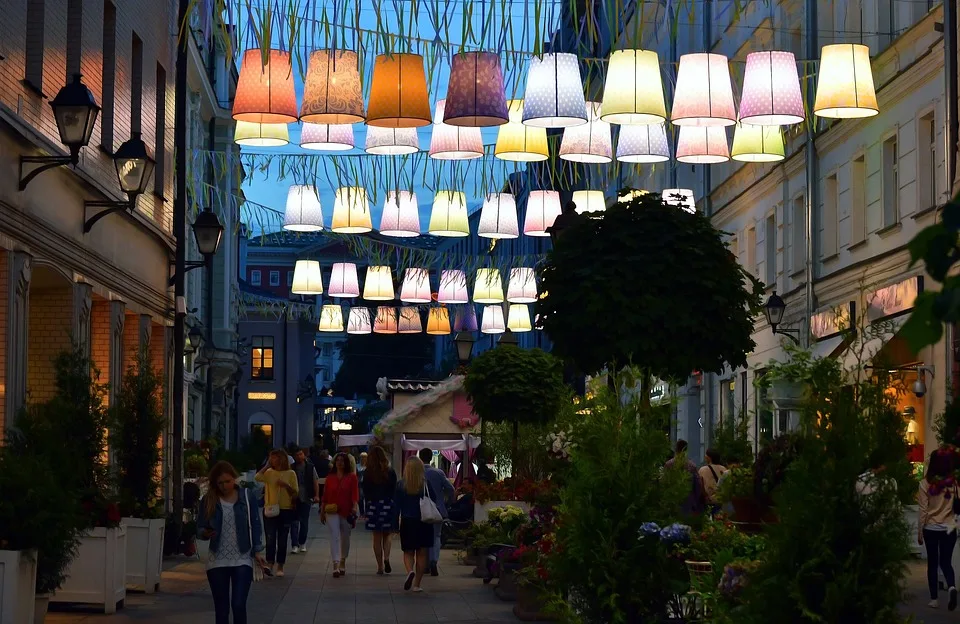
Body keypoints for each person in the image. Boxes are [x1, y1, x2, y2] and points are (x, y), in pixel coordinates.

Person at [197, 461, 266, 624]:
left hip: (242, 557)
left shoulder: (247, 497)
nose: (224, 486)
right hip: (217, 560)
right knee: (222, 610)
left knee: (238, 604)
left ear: (234, 479)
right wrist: (205, 532)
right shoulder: (208, 500)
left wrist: (257, 550)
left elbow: (255, 524)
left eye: (227, 481)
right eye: (220, 483)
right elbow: (199, 528)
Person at [918, 449, 959, 610]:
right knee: (946, 562)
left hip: (931, 527)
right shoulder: (953, 482)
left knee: (933, 563)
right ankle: (951, 587)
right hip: (949, 527)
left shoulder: (924, 484)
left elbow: (923, 510)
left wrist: (920, 532)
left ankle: (934, 599)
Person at [394, 457, 440, 592]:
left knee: (408, 551)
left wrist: (395, 525)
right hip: (424, 522)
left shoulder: (401, 485)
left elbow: (396, 506)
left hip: (408, 522)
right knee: (422, 554)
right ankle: (417, 585)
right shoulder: (425, 484)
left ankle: (409, 571)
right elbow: (434, 499)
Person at [255, 449, 299, 577]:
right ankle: (269, 563)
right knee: (270, 538)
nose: (271, 460)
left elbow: (295, 493)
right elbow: (257, 477)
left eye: (273, 458)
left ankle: (280, 565)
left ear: (281, 458)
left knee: (283, 538)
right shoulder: (269, 472)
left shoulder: (291, 473)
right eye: (270, 458)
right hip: (270, 509)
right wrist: (267, 466)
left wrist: (286, 485)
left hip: (285, 509)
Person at [321, 451, 360, 578]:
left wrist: (354, 506)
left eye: (342, 461)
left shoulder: (352, 477)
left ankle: (343, 559)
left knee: (345, 537)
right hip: (331, 510)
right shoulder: (330, 478)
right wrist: (322, 510)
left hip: (346, 510)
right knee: (334, 536)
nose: (339, 463)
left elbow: (355, 494)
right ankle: (335, 564)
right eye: (337, 460)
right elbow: (325, 495)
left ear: (347, 463)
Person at [362, 446, 399, 575]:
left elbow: (365, 492)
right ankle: (387, 558)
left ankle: (379, 567)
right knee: (387, 534)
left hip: (373, 505)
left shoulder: (368, 473)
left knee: (376, 537)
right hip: (388, 504)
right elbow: (394, 489)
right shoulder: (390, 471)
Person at [418, 448, 455, 576]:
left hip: (421, 510)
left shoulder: (417, 473)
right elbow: (451, 489)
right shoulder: (439, 473)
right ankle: (434, 561)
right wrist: (447, 503)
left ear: (420, 457)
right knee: (436, 536)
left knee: (423, 537)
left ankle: (425, 564)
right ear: (431, 457)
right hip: (438, 509)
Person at [289, 446, 320, 554]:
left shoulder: (310, 467)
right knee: (294, 522)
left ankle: (302, 542)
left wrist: (316, 495)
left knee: (304, 521)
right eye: (297, 455)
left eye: (301, 454)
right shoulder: (291, 468)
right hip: (293, 498)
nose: (299, 457)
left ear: (304, 455)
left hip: (306, 497)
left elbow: (315, 481)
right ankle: (294, 544)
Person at [665, 440, 706, 516]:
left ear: (676, 449)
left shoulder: (669, 464)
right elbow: (698, 485)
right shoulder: (691, 465)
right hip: (688, 500)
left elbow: (664, 482)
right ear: (686, 449)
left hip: (672, 499)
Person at [697, 448, 728, 515]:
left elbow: (700, 485)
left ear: (709, 458)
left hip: (709, 501)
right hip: (721, 501)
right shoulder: (724, 469)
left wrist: (705, 497)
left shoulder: (703, 470)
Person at [358, 451, 368, 516]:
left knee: (367, 498)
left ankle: (367, 512)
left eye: (364, 457)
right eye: (362, 457)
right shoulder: (357, 466)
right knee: (360, 498)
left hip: (367, 483)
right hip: (359, 483)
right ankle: (361, 512)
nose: (363, 459)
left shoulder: (369, 466)